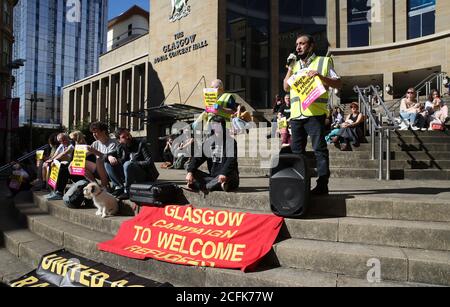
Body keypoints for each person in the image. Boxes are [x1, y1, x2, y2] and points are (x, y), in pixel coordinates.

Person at [283, 33, 342, 195]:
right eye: (297, 45)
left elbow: (338, 83)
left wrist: (320, 76)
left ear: (311, 45)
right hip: (296, 116)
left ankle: (322, 184)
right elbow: (286, 88)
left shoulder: (323, 61)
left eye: (302, 44)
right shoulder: (294, 65)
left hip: (314, 114)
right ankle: (300, 184)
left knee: (319, 149)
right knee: (296, 152)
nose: (298, 47)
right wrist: (289, 68)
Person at [186, 116, 239, 193]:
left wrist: (223, 173)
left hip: (228, 176)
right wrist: (190, 172)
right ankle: (218, 185)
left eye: (218, 125)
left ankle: (202, 185)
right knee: (188, 167)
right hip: (213, 177)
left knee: (228, 177)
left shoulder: (230, 141)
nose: (215, 127)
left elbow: (231, 160)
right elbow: (197, 158)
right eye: (213, 125)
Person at [110, 128, 160, 200]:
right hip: (130, 174)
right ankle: (119, 187)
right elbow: (107, 155)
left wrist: (134, 163)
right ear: (119, 140)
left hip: (145, 175)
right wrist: (109, 156)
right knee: (107, 163)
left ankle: (128, 191)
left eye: (128, 134)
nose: (127, 137)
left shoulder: (140, 144)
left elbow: (149, 162)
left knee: (127, 164)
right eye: (123, 137)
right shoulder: (121, 147)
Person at [87, 122, 119, 192]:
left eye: (96, 132)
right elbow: (86, 154)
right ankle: (95, 186)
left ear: (103, 131)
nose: (94, 135)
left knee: (99, 159)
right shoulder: (95, 143)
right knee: (80, 164)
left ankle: (105, 185)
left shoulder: (113, 143)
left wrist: (94, 151)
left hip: (111, 171)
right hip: (99, 170)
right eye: (93, 132)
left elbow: (107, 157)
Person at [43, 133, 75, 200]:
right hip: (65, 164)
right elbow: (56, 154)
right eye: (60, 141)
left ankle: (59, 193)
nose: (63, 142)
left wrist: (53, 160)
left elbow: (63, 154)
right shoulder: (61, 145)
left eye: (64, 140)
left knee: (61, 169)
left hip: (71, 165)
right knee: (50, 166)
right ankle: (54, 191)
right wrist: (50, 160)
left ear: (67, 138)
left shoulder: (72, 145)